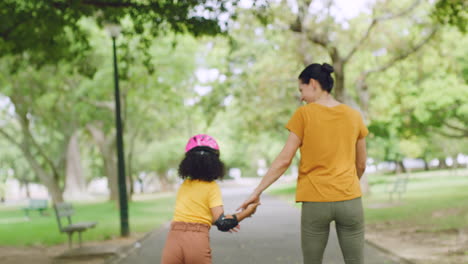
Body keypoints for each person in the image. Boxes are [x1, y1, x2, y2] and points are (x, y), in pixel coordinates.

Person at [238, 63, 368, 264]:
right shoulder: (354, 116)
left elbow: (284, 161)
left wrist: (257, 191)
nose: (301, 97)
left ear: (313, 84)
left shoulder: (304, 115)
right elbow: (361, 164)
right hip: (350, 200)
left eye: (302, 90)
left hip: (315, 201)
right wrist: (348, 185)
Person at [161, 134, 260, 264]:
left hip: (173, 239)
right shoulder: (211, 187)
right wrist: (246, 213)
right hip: (197, 240)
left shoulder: (184, 185)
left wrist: (229, 219)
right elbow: (222, 223)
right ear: (214, 163)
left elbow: (197, 215)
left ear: (188, 162)